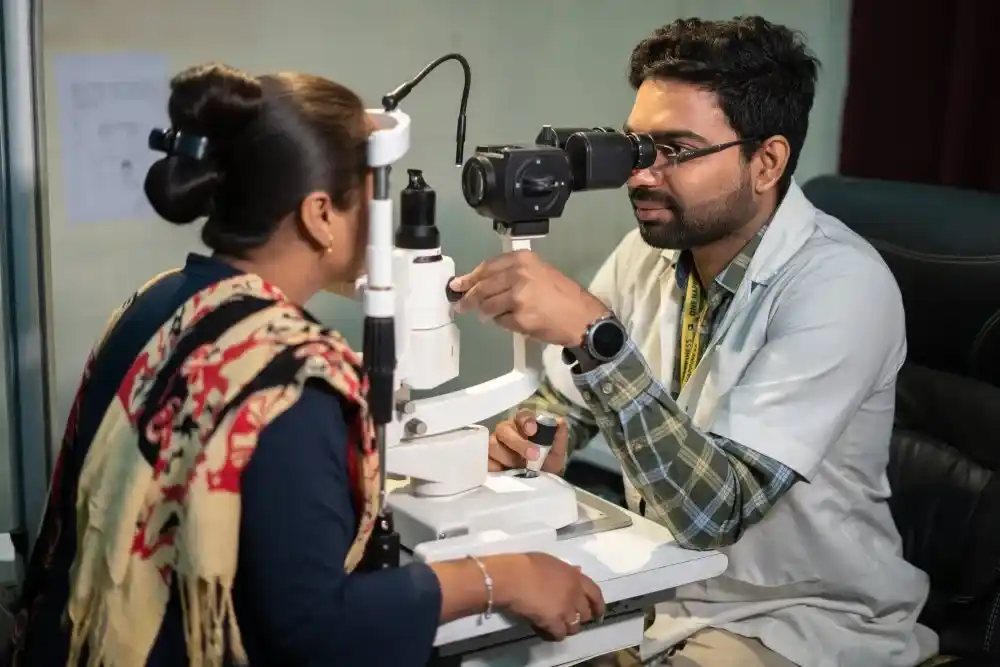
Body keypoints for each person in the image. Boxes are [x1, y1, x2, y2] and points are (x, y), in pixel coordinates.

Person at [5, 63, 604, 667]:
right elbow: (317, 632)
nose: (382, 222)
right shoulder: (294, 377)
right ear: (321, 216)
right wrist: (504, 576)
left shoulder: (156, 304)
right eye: (372, 196)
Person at [450, 16, 938, 667]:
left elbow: (718, 510)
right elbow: (567, 408)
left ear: (765, 161)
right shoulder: (649, 253)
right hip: (657, 583)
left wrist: (595, 339)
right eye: (636, 147)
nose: (641, 175)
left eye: (673, 151)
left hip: (794, 617)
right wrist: (532, 433)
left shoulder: (840, 287)